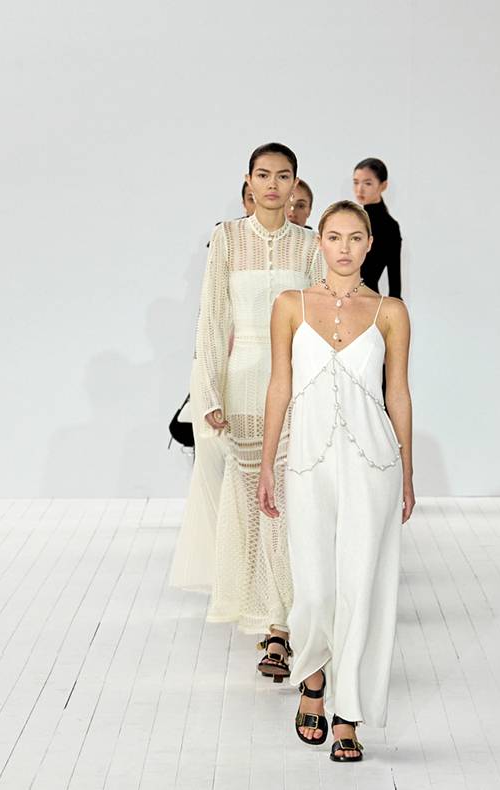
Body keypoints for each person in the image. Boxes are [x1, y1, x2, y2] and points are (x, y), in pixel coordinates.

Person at [259, 200, 413, 763]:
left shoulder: (391, 311)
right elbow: (279, 385)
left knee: (362, 587)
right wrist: (268, 463)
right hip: (307, 461)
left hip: (374, 462)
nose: (344, 247)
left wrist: (408, 472)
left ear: (369, 245)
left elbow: (398, 392)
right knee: (315, 587)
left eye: (355, 237)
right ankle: (313, 676)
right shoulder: (290, 305)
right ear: (319, 242)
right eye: (334, 237)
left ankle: (348, 712)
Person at [181, 142, 323, 680]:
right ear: (248, 181)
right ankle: (263, 614)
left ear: (295, 185)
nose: (272, 185)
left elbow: (317, 324)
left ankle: (280, 627)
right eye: (263, 175)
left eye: (283, 176)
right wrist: (208, 394)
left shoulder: (309, 246)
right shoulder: (227, 238)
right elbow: (212, 319)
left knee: (284, 498)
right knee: (248, 499)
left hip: (294, 385)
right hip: (241, 384)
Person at [352, 159, 401, 298]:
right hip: (341, 298)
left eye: (367, 183)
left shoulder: (390, 226)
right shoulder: (353, 220)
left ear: (383, 186)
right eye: (356, 182)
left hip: (369, 301)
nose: (359, 189)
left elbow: (395, 281)